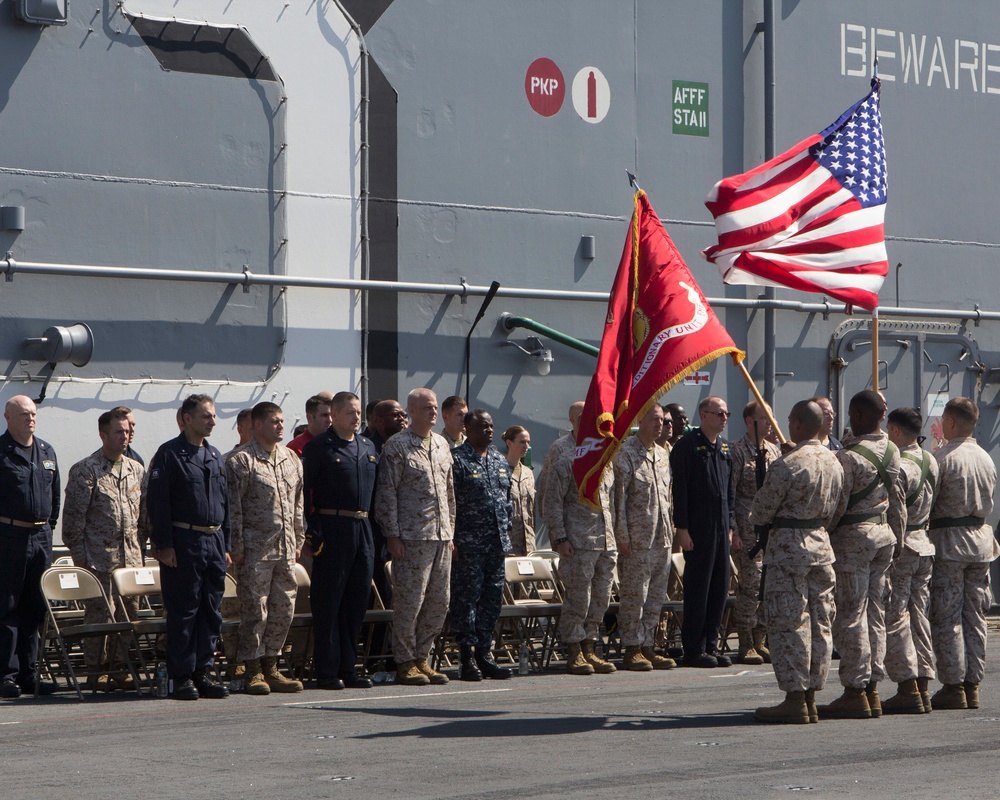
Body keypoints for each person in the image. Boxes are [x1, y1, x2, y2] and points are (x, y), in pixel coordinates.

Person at [749, 400, 843, 723]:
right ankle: (812, 696)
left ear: (799, 425)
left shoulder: (786, 465)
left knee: (790, 621)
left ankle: (794, 696)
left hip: (788, 549)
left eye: (790, 420)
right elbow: (835, 510)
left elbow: (759, 511)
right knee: (820, 621)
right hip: (821, 546)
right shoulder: (834, 462)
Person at [818, 389, 906, 720]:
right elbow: (897, 501)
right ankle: (872, 687)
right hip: (884, 536)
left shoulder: (849, 457)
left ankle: (855, 690)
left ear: (856, 416)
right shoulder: (892, 450)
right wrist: (896, 538)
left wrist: (822, 532)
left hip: (853, 540)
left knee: (851, 614)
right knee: (875, 615)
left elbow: (835, 507)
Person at [145, 394, 231, 701]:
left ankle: (202, 671)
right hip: (184, 542)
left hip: (214, 540)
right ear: (187, 418)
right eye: (206, 416)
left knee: (211, 610)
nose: (212, 421)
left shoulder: (215, 456)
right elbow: (158, 505)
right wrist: (163, 545)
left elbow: (225, 504)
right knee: (184, 610)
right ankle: (180, 675)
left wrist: (226, 543)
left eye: (213, 415)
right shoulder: (169, 455)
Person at [374, 388, 456, 686]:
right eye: (427, 407)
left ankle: (423, 657)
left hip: (441, 537)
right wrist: (392, 535)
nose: (434, 411)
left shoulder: (442, 445)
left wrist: (451, 531)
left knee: (439, 602)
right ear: (412, 411)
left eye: (435, 407)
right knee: (410, 602)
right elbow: (386, 494)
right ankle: (405, 661)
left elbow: (449, 493)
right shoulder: (397, 447)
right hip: (411, 538)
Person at [62, 408, 144, 690]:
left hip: (130, 559)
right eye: (119, 431)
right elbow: (73, 521)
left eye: (128, 431)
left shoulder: (137, 470)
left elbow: (142, 519)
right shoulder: (86, 470)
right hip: (98, 560)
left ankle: (120, 668)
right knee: (100, 616)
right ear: (103, 434)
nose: (126, 436)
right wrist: (81, 560)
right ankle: (96, 671)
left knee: (128, 615)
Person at [227, 401, 305, 695]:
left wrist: (298, 538)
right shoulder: (240, 462)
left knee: (283, 610)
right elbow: (234, 510)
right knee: (255, 611)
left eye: (282, 421)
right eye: (274, 421)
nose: (280, 426)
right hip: (254, 552)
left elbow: (297, 504)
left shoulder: (291, 459)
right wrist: (237, 548)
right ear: (257, 425)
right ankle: (252, 669)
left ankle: (272, 665)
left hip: (285, 550)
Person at [927, 397, 999, 711]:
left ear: (951, 423)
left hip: (949, 543)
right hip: (981, 543)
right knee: (975, 617)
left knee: (947, 617)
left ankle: (954, 684)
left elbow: (929, 503)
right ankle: (973, 684)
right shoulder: (986, 458)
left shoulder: (943, 458)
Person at [302, 392, 377, 690]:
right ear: (333, 414)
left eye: (358, 412)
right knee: (329, 601)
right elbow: (305, 492)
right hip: (332, 527)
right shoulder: (319, 447)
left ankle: (350, 667)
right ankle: (328, 670)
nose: (356, 417)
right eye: (350, 412)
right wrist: (311, 529)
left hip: (362, 527)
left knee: (357, 602)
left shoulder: (368, 446)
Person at [542, 428, 617, 676]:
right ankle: (574, 651)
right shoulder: (567, 462)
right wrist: (560, 537)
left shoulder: (606, 463)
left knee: (601, 599)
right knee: (578, 599)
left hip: (605, 542)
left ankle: (590, 648)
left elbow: (611, 503)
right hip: (578, 542)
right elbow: (551, 502)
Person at [670, 395, 737, 668]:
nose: (724, 418)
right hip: (697, 528)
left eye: (726, 413)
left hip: (721, 528)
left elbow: (729, 492)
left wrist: (731, 525)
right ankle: (694, 648)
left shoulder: (723, 448)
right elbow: (681, 491)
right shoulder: (687, 446)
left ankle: (711, 644)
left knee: (719, 588)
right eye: (719, 413)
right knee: (698, 588)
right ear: (704, 415)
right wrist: (682, 528)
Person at [0, 396, 60, 698]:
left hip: (40, 538)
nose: (30, 419)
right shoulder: (2, 452)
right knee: (7, 606)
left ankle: (29, 671)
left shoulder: (46, 451)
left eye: (33, 414)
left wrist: (47, 527)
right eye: (24, 414)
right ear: (8, 417)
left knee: (36, 607)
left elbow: (55, 497)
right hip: (9, 537)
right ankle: (6, 674)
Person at [881, 406, 939, 714]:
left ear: (894, 430)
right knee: (919, 616)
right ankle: (924, 683)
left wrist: (894, 548)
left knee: (897, 617)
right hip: (925, 545)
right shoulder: (930, 460)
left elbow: (897, 514)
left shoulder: (900, 465)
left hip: (904, 547)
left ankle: (907, 685)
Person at [450, 409, 514, 681]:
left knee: (491, 600)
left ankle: (484, 654)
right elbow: (450, 503)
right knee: (467, 600)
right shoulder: (458, 460)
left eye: (491, 426)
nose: (488, 430)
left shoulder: (500, 459)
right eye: (482, 426)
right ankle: (466, 658)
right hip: (468, 545)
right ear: (467, 428)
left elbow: (507, 500)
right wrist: (453, 539)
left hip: (496, 544)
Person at [613, 404, 675, 671]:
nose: (659, 424)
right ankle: (632, 648)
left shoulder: (662, 455)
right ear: (641, 419)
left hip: (662, 537)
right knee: (635, 596)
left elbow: (668, 498)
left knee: (656, 597)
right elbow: (619, 500)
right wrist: (622, 536)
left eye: (662, 419)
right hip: (637, 539)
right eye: (654, 419)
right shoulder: (626, 453)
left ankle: (649, 645)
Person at [730, 401, 781, 665]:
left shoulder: (772, 451)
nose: (771, 421)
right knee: (749, 586)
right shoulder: (737, 452)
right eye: (765, 417)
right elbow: (731, 494)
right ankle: (746, 642)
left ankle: (761, 639)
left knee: (766, 587)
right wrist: (734, 531)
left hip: (769, 530)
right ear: (750, 421)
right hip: (747, 530)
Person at [535, 401, 584, 518]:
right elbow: (547, 491)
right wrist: (556, 531)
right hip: (571, 527)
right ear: (572, 420)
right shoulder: (560, 449)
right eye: (583, 416)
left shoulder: (598, 447)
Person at [502, 425, 536, 556]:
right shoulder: (499, 471)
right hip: (508, 543)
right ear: (509, 443)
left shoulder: (528, 473)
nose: (526, 446)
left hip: (528, 542)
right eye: (522, 442)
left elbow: (531, 511)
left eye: (528, 442)